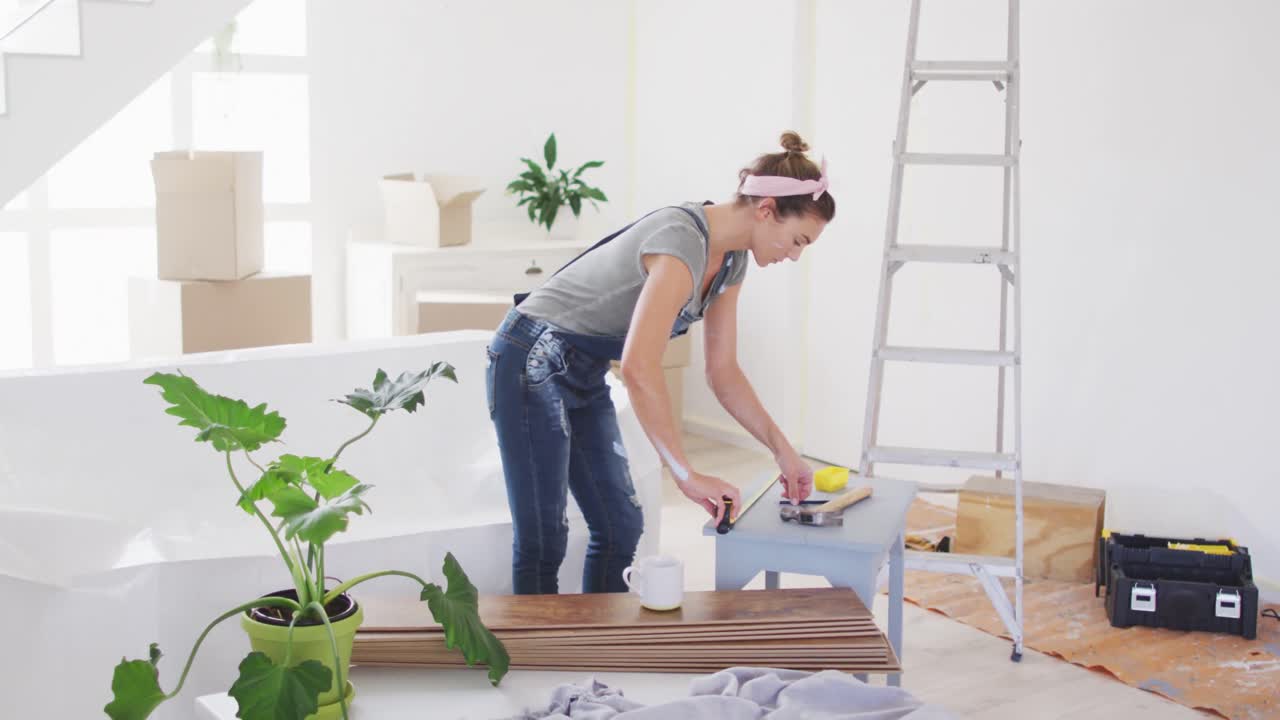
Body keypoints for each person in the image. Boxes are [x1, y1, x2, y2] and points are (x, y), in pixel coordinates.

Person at [485, 131, 837, 595]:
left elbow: (723, 371)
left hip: (582, 369)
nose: (793, 255)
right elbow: (638, 367)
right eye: (797, 240)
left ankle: (601, 646)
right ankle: (533, 659)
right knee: (545, 537)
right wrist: (686, 473)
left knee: (620, 527)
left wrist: (782, 449)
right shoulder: (681, 239)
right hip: (529, 356)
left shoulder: (732, 262)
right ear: (766, 210)